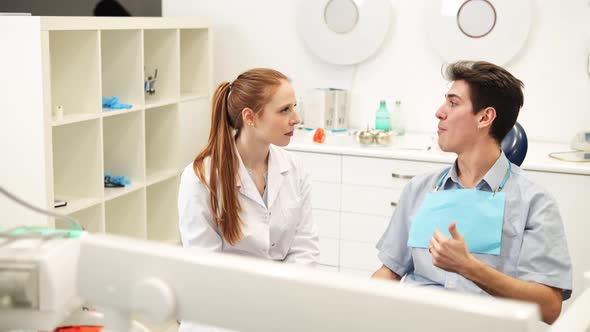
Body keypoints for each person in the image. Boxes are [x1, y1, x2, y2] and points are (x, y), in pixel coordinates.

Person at [372, 61, 572, 325]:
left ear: (485, 117)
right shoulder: (421, 189)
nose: (439, 112)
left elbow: (549, 308)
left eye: (453, 103)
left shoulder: (534, 203)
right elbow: (390, 272)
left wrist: (469, 267)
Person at [178, 68, 320, 331]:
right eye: (284, 110)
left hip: (282, 308)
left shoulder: (294, 169)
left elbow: (305, 248)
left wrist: (278, 301)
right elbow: (206, 266)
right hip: (223, 315)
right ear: (250, 117)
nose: (296, 119)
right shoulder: (201, 177)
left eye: (294, 107)